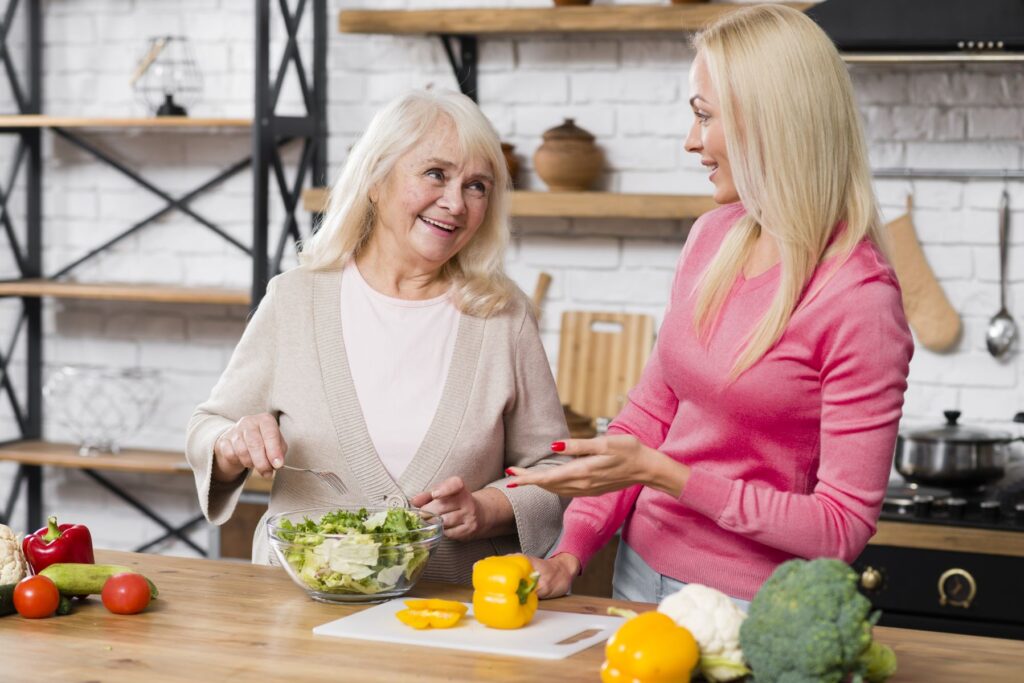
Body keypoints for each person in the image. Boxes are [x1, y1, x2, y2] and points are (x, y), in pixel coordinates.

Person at [511, 4, 914, 605]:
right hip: (638, 573)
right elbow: (650, 414)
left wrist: (664, 473)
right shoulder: (714, 238)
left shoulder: (859, 300)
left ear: (769, 123)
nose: (691, 141)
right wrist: (572, 549)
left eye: (705, 117)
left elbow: (839, 529)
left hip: (754, 605)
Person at [186, 89, 567, 583]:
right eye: (436, 174)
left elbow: (553, 472)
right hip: (297, 606)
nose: (455, 203)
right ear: (375, 179)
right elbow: (208, 424)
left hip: (451, 610)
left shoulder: (503, 315)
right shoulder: (296, 298)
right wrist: (231, 443)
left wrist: (487, 508)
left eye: (477, 186)